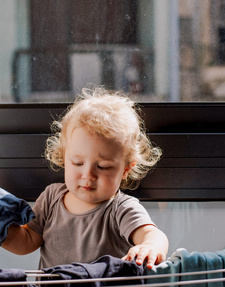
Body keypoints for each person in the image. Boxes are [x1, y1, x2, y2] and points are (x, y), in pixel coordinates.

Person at [2, 87, 168, 270]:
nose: (88, 175)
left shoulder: (121, 209)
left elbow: (151, 234)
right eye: (78, 163)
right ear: (64, 157)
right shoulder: (51, 198)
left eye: (103, 167)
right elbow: (26, 241)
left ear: (126, 169)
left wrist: (150, 246)